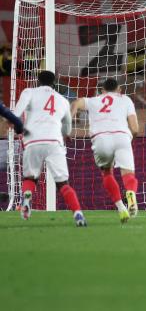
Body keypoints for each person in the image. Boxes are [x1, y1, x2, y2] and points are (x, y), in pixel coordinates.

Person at [12, 71, 86, 227]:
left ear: (38, 81)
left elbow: (16, 114)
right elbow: (67, 129)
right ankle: (78, 214)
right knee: (63, 183)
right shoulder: (63, 100)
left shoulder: (29, 92)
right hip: (54, 141)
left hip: (32, 140)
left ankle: (27, 198)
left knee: (30, 178)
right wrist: (64, 134)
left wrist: (17, 129)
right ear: (54, 82)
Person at [71, 78, 139, 224]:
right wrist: (129, 139)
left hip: (101, 138)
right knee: (128, 174)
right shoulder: (126, 100)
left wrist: (70, 117)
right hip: (122, 136)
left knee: (107, 173)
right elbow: (135, 128)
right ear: (119, 89)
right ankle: (131, 194)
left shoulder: (93, 100)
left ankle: (121, 208)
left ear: (101, 91)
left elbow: (76, 103)